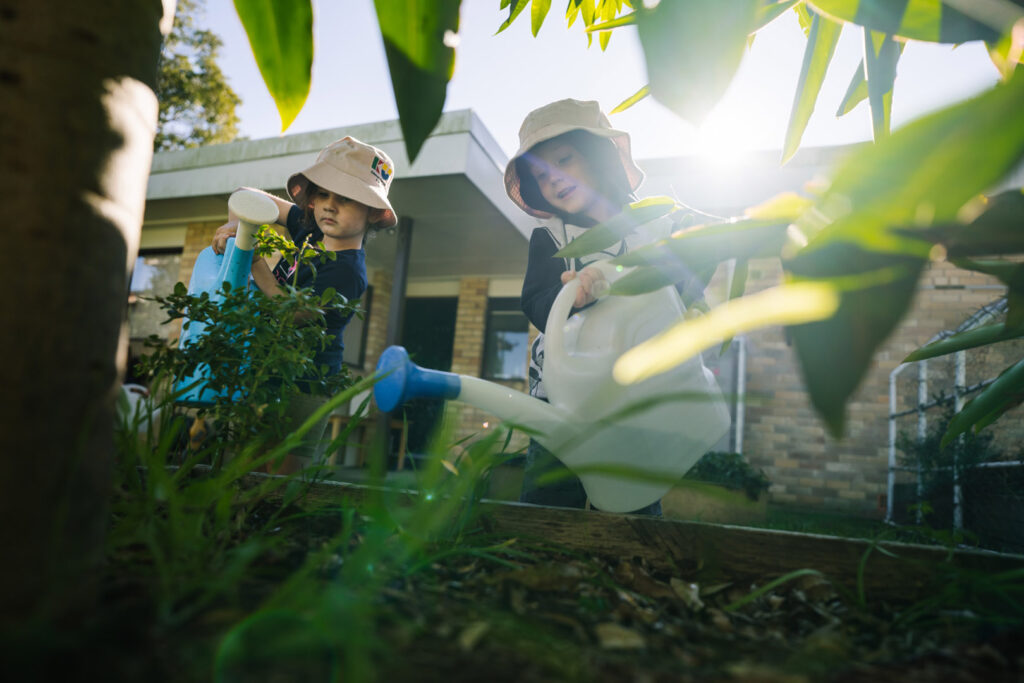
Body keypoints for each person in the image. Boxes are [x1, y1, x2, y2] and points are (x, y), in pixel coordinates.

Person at [505, 98, 709, 515]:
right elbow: (535, 301)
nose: (556, 178)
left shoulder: (653, 225)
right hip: (560, 390)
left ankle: (628, 567)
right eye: (542, 174)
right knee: (550, 491)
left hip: (630, 390)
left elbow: (683, 284)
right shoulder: (552, 238)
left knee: (629, 496)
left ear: (599, 158)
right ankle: (540, 559)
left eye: (565, 160)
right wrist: (572, 298)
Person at [212, 136, 397, 474]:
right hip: (268, 364)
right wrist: (238, 224)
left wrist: (254, 262)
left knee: (284, 467)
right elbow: (246, 196)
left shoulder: (347, 271)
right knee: (242, 456)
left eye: (345, 198)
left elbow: (294, 314)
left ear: (372, 212)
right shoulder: (310, 230)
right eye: (323, 193)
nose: (329, 205)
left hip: (307, 381)